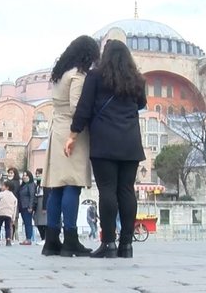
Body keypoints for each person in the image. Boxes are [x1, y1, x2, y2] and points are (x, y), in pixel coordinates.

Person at [66, 39, 146, 259]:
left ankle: (109, 243)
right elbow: (141, 103)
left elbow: (83, 109)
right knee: (127, 191)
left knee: (108, 191)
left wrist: (72, 135)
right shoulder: (137, 79)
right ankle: (127, 245)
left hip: (104, 141)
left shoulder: (95, 76)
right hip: (130, 141)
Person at [42, 35, 100, 257]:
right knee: (72, 185)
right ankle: (71, 239)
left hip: (56, 129)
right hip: (72, 133)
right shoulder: (77, 75)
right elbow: (78, 108)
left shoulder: (60, 73)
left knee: (57, 186)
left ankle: (51, 241)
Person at [0, 180, 18, 247]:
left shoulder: (1, 194)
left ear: (7, 187)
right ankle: (8, 240)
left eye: (3, 185)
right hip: (9, 214)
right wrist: (13, 218)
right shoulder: (14, 197)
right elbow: (14, 208)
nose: (1, 187)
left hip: (0, 213)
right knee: (8, 227)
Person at [18, 170, 36, 245]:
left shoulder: (31, 184)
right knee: (25, 222)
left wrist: (30, 206)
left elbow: (32, 196)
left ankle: (29, 239)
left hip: (27, 206)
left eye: (26, 175)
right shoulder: (23, 185)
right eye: (23, 175)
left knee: (28, 222)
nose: (24, 177)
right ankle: (27, 238)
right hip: (22, 206)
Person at [32, 168, 48, 246]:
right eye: (36, 174)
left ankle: (45, 238)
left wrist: (45, 207)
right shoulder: (37, 185)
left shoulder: (46, 184)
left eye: (39, 174)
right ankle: (42, 238)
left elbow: (47, 195)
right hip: (37, 202)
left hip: (43, 202)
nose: (37, 175)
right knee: (38, 222)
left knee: (44, 222)